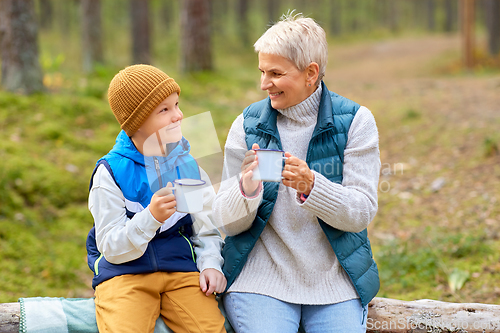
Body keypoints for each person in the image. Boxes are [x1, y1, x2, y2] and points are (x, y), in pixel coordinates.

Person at [213, 12, 380, 333]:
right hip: (259, 280)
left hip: (335, 281)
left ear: (311, 73)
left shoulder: (357, 122)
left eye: (275, 73)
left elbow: (360, 213)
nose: (264, 84)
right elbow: (225, 221)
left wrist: (312, 186)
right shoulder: (246, 125)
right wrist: (247, 188)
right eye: (262, 71)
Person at [86, 64, 227, 333]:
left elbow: (205, 228)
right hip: (124, 274)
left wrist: (210, 264)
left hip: (181, 271)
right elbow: (110, 246)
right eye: (164, 110)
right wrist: (150, 218)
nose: (178, 116)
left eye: (176, 104)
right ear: (136, 123)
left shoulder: (188, 166)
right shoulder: (111, 173)